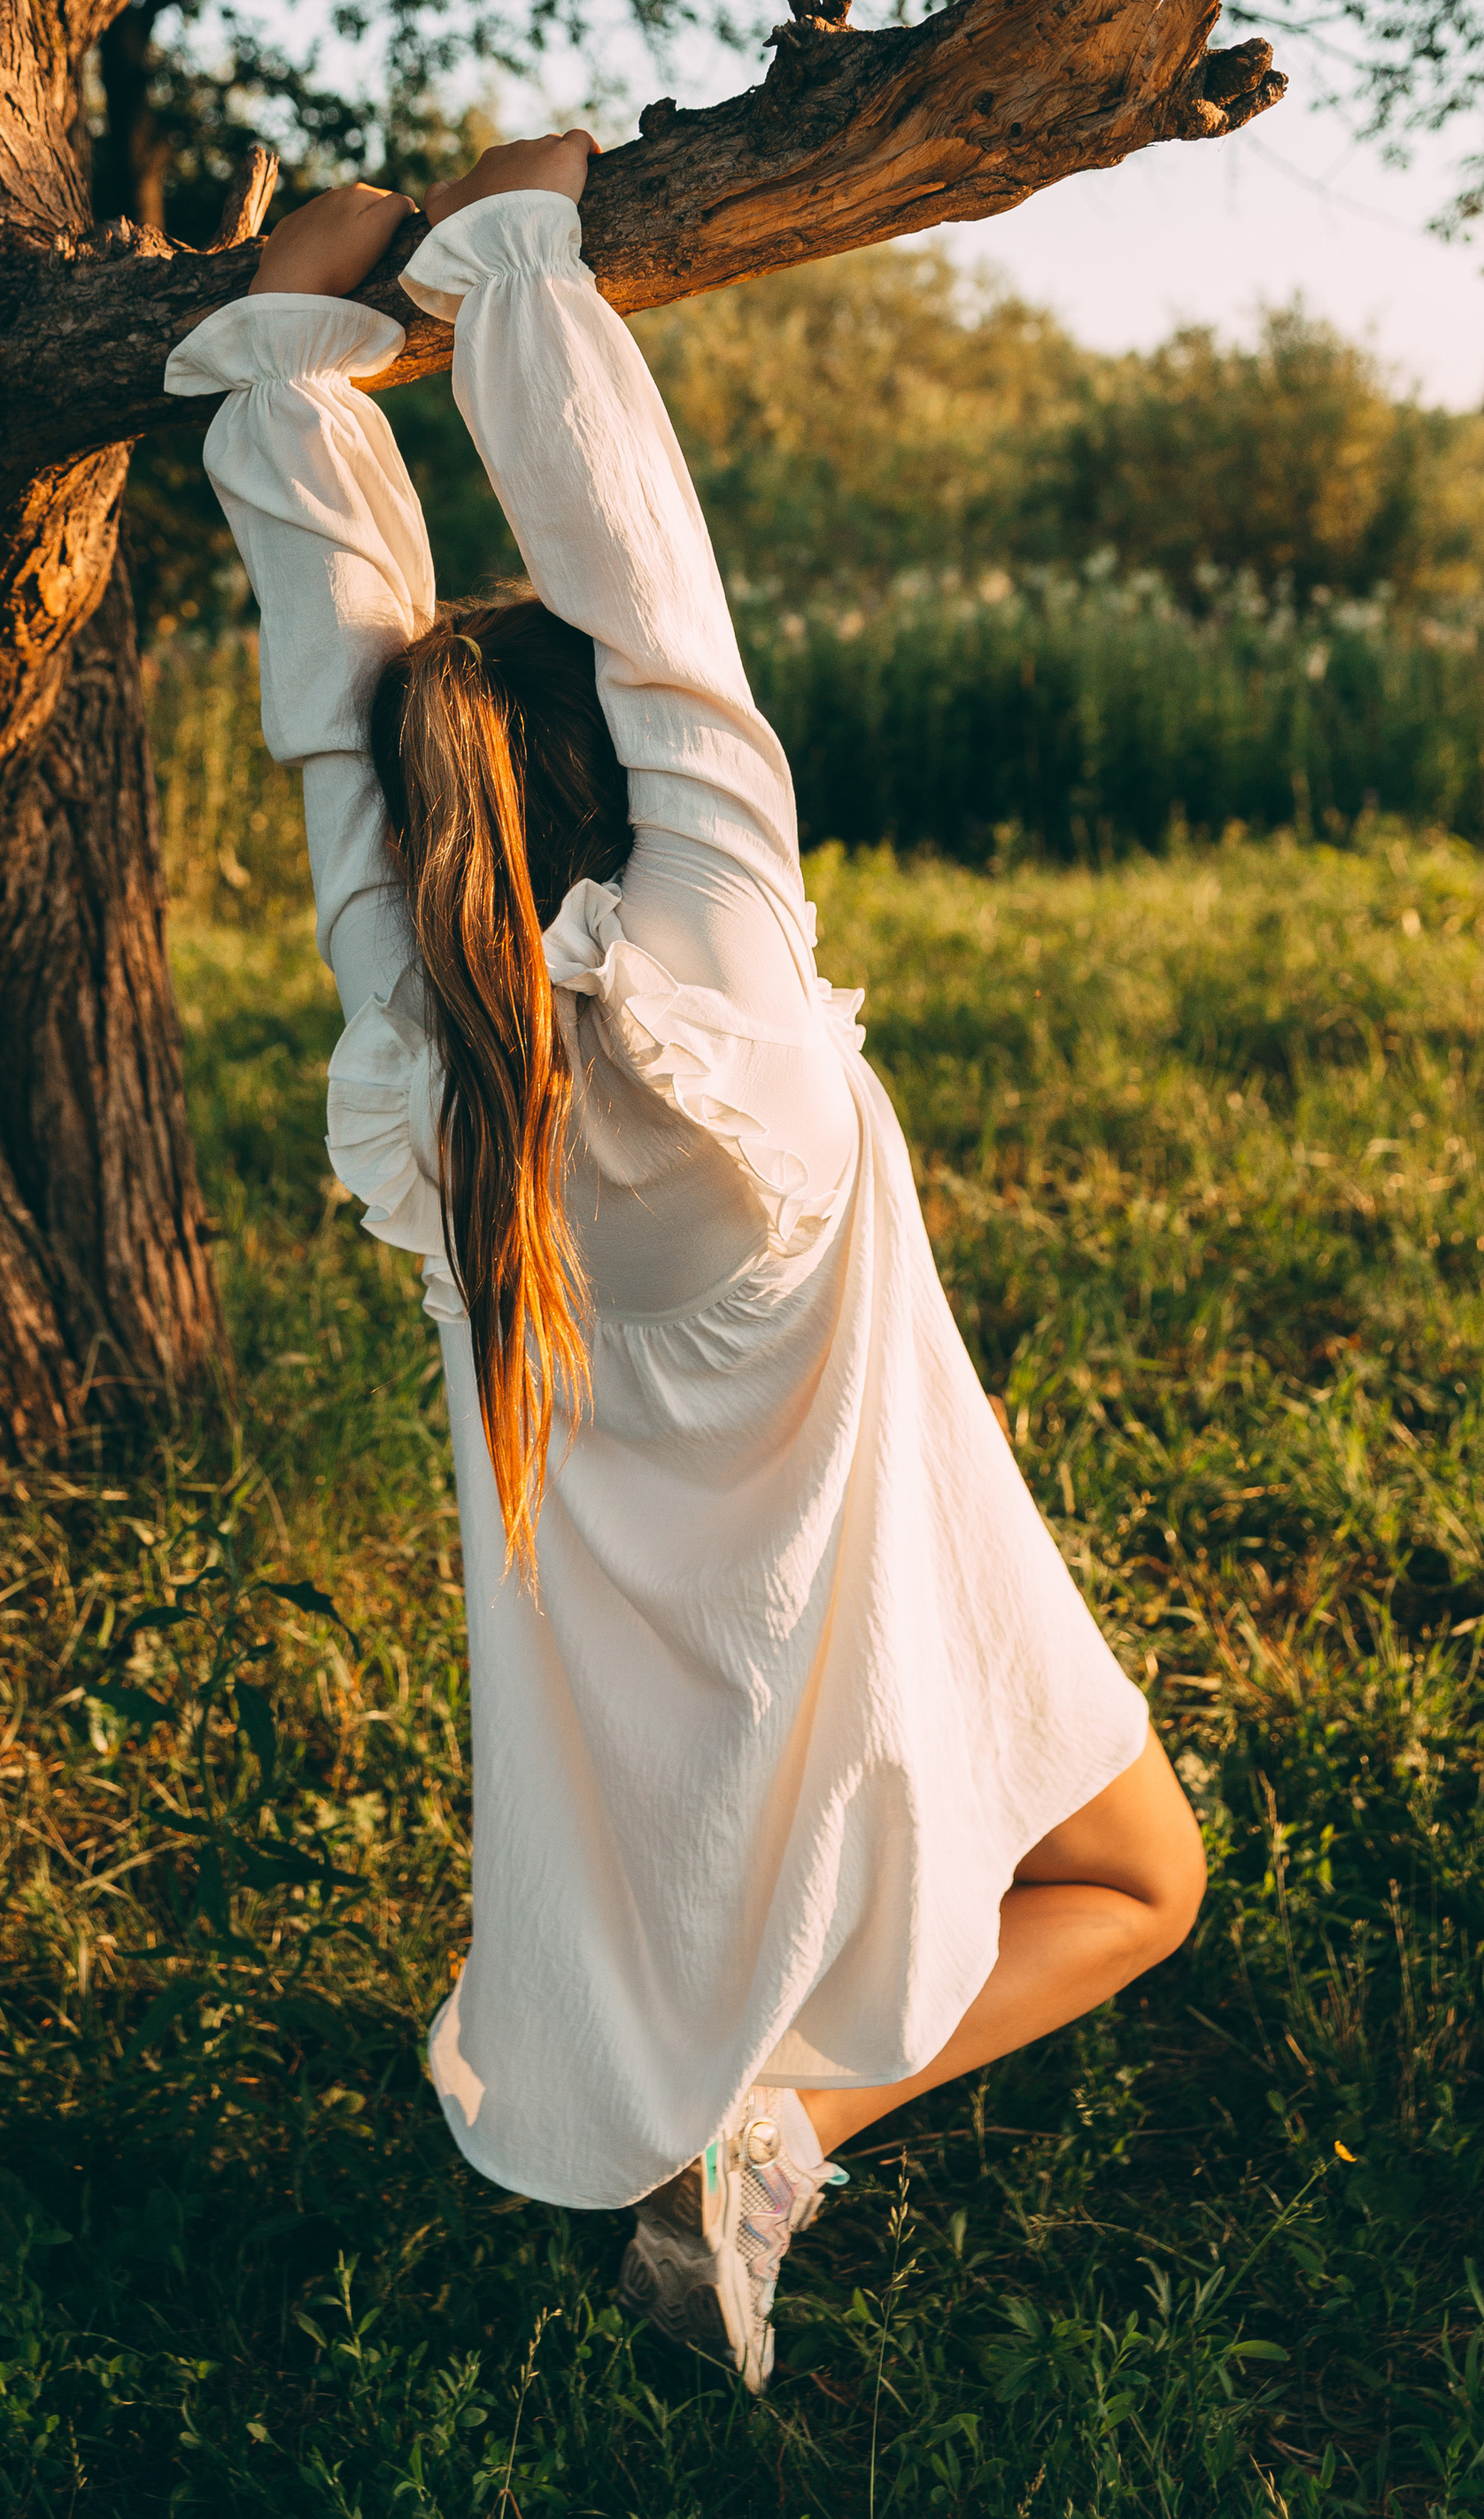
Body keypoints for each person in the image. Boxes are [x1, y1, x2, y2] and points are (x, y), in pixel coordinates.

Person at [166, 129, 1205, 2394]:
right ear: (621, 788)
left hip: (667, 1707)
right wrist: (494, 276)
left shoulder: (430, 1074)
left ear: (435, 830)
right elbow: (648, 622)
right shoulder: (720, 1008)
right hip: (877, 1593)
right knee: (1143, 1882)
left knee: (1089, 1870)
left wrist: (320, 349)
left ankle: (749, 2127)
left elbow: (393, 729)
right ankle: (778, 2132)